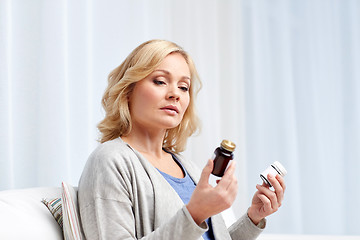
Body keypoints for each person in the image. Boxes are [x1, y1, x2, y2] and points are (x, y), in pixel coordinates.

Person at [78, 39, 286, 240]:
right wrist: (195, 213)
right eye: (160, 81)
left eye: (184, 87)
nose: (175, 94)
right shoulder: (109, 161)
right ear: (128, 91)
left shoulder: (189, 168)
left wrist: (253, 217)